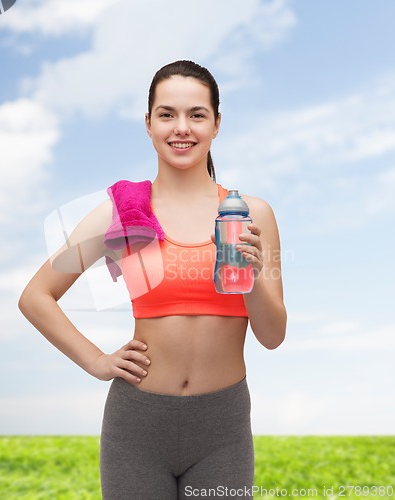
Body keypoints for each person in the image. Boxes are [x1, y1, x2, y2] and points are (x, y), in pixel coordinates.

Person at [18, 60, 287, 500]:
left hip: (223, 427)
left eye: (197, 114)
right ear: (148, 124)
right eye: (167, 114)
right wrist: (96, 361)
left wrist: (253, 278)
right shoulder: (121, 212)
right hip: (137, 426)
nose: (182, 127)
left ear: (217, 124)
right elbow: (36, 296)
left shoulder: (251, 215)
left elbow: (273, 336)